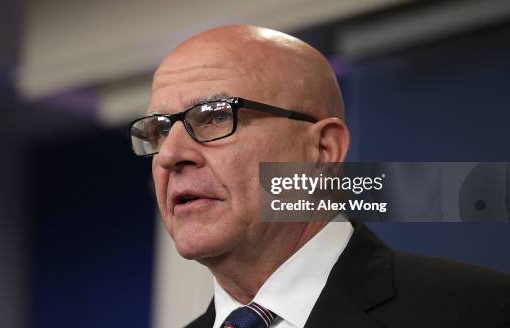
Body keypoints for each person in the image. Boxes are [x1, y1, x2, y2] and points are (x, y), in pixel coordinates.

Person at [129, 25, 510, 328]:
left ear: (324, 150)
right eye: (160, 130)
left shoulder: (481, 310)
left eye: (215, 116)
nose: (171, 156)